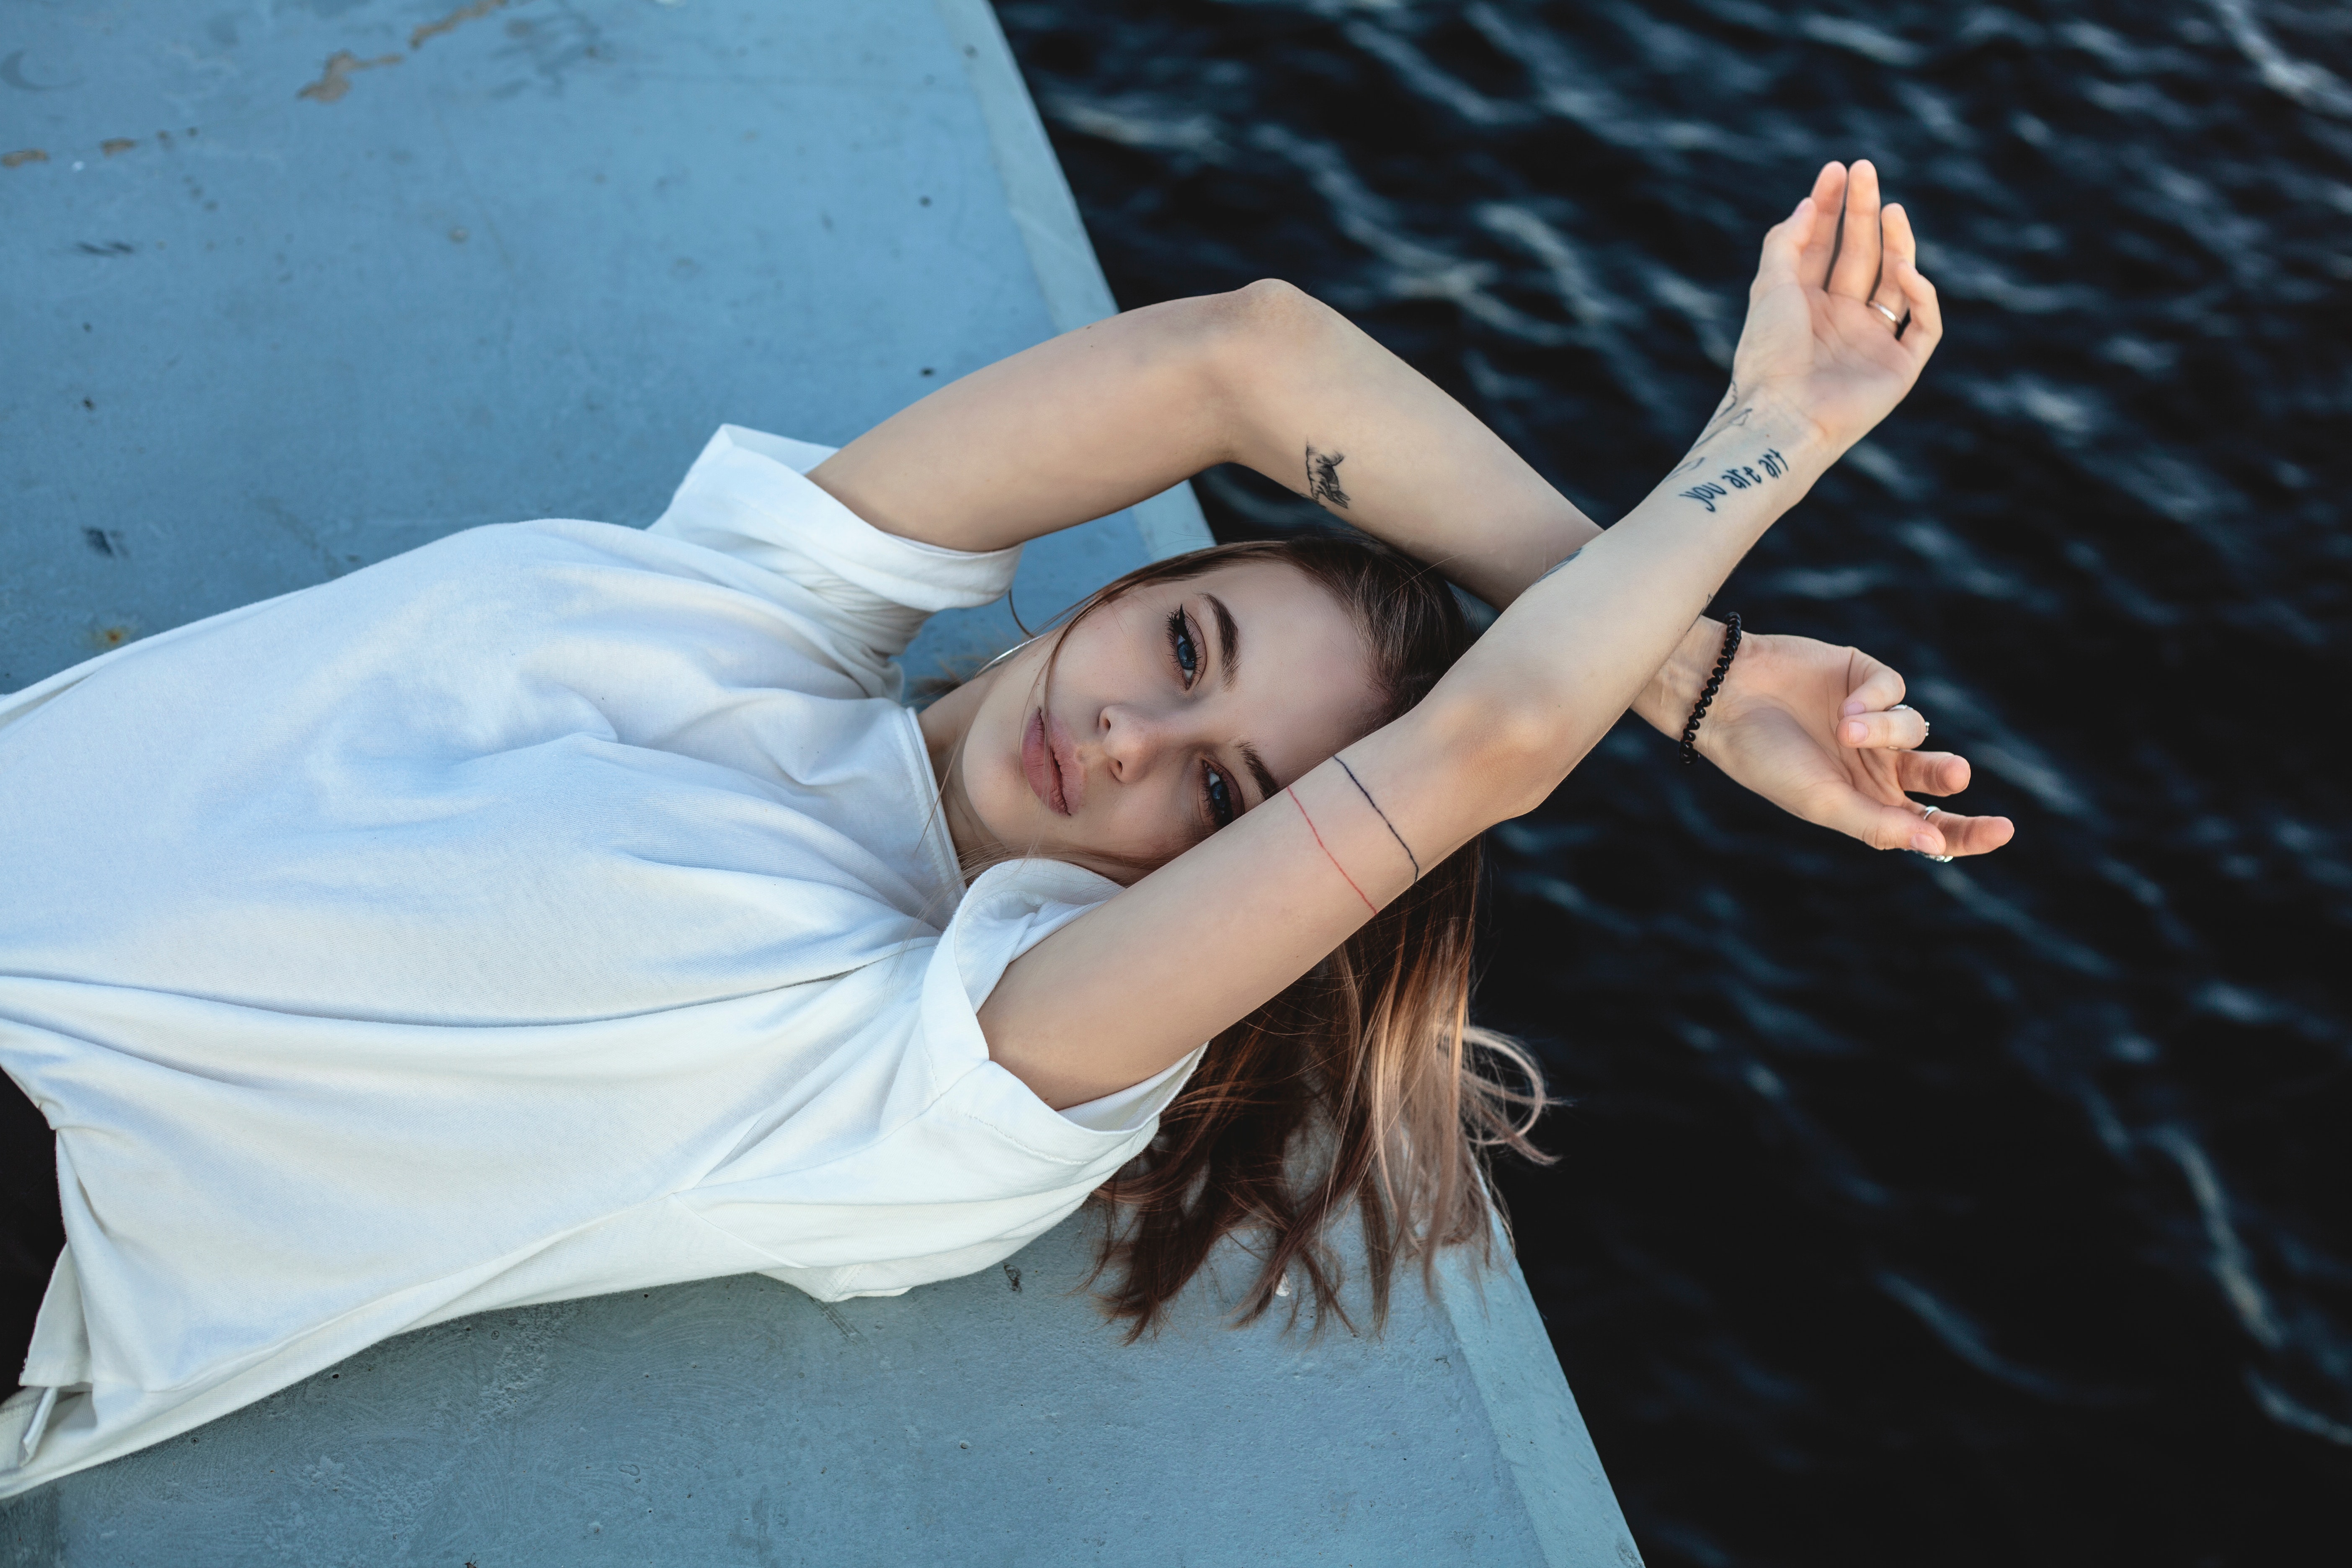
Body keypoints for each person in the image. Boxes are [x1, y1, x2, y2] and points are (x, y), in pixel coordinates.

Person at [0, 160, 2007, 1492]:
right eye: (1187, 643)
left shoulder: (941, 1071)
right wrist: (1704, 663)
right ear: (1119, 590)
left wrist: (1777, 437)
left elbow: (1484, 746)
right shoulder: (753, 603)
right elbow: (1241, 358)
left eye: (1224, 799)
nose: (1131, 734)